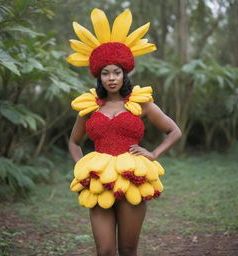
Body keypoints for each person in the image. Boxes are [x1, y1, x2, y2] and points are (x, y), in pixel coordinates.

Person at [66, 8, 182, 256]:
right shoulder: (88, 107)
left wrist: (153, 154)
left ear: (124, 73)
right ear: (99, 76)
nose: (111, 78)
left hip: (132, 177)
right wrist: (82, 165)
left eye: (116, 72)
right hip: (98, 180)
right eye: (106, 73)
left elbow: (173, 131)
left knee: (128, 249)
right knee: (105, 249)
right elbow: (74, 142)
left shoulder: (141, 103)